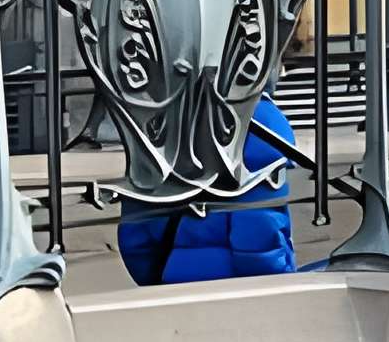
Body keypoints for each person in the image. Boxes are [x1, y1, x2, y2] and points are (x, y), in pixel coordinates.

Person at [117, 97, 299, 285]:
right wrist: (279, 281)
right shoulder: (262, 119)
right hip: (238, 290)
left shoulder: (156, 117)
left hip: (170, 281)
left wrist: (157, 276)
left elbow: (137, 225)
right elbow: (259, 227)